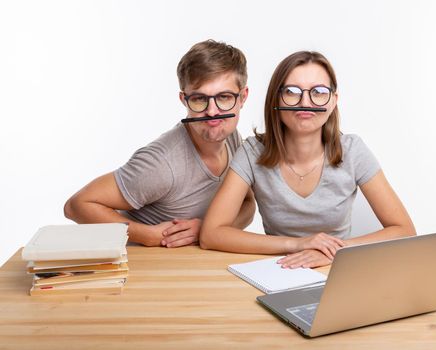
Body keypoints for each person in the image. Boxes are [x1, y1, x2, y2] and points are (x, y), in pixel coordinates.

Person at [200, 51, 415, 268]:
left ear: (333, 101)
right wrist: (298, 244)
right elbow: (211, 234)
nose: (305, 102)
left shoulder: (353, 150)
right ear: (276, 98)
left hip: (338, 271)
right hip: (282, 268)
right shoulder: (252, 152)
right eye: (292, 92)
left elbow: (405, 230)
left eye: (319, 92)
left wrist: (335, 251)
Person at [64, 40, 255, 247]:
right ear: (184, 99)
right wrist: (147, 235)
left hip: (190, 265)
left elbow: (247, 204)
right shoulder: (162, 163)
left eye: (224, 97)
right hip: (141, 266)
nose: (212, 111)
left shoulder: (231, 136)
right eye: (199, 99)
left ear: (242, 97)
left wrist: (208, 229)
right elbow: (76, 206)